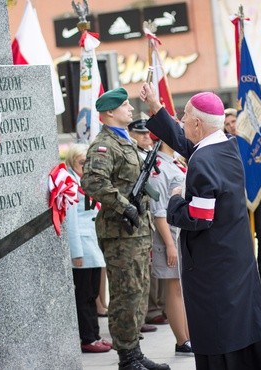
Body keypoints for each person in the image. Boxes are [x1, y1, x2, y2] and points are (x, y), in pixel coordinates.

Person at [139, 85, 261, 369]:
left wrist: (174, 201)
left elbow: (199, 217)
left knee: (220, 332)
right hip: (233, 257)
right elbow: (189, 145)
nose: (181, 121)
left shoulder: (204, 161)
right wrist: (155, 107)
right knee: (246, 325)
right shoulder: (224, 145)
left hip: (213, 267)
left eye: (184, 117)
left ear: (197, 123)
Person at [81, 87, 170, 370]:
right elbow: (93, 182)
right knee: (125, 294)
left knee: (139, 290)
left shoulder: (127, 142)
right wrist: (125, 206)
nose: (131, 109)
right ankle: (126, 358)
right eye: (124, 106)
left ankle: (135, 351)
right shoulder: (103, 145)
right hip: (119, 231)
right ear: (109, 113)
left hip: (137, 230)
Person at [65, 144, 113, 353]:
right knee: (84, 295)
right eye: (81, 162)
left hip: (93, 243)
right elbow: (71, 220)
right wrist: (76, 252)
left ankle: (95, 335)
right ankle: (87, 338)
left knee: (93, 293)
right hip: (83, 246)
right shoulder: (69, 184)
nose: (85, 166)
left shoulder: (88, 182)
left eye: (88, 162)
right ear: (71, 162)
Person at [147, 137, 192, 355]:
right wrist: (169, 245)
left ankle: (189, 337)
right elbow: (158, 210)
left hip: (180, 232)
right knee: (173, 288)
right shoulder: (157, 166)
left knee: (182, 289)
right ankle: (182, 341)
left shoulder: (175, 162)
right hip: (168, 234)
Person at [129, 118, 167, 332]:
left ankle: (158, 307)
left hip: (155, 214)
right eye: (141, 134)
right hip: (142, 216)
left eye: (147, 134)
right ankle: (149, 311)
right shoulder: (135, 156)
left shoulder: (149, 156)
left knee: (157, 263)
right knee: (146, 268)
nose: (147, 137)